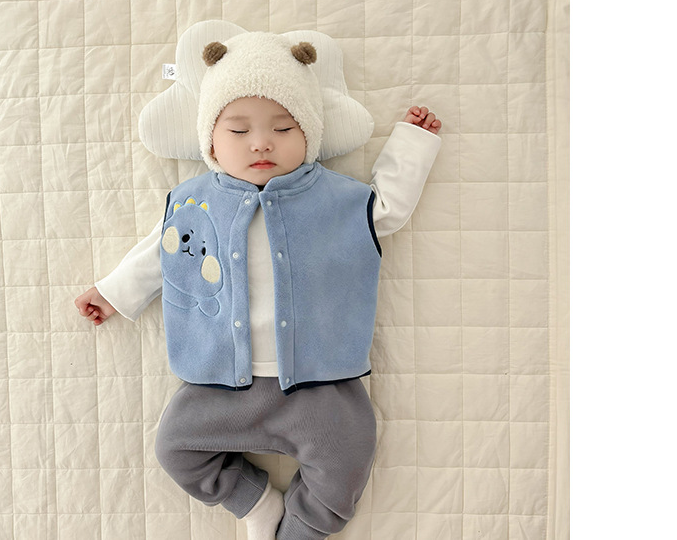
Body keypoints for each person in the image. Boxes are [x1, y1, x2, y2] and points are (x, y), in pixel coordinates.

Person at [75, 29, 442, 540]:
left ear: (309, 134)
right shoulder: (196, 201)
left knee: (348, 459)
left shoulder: (337, 199)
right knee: (175, 447)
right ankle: (255, 503)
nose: (262, 142)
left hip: (321, 386)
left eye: (284, 128)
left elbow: (388, 207)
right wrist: (113, 292)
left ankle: (301, 530)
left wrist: (412, 143)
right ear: (211, 142)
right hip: (224, 384)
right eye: (239, 130)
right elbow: (162, 252)